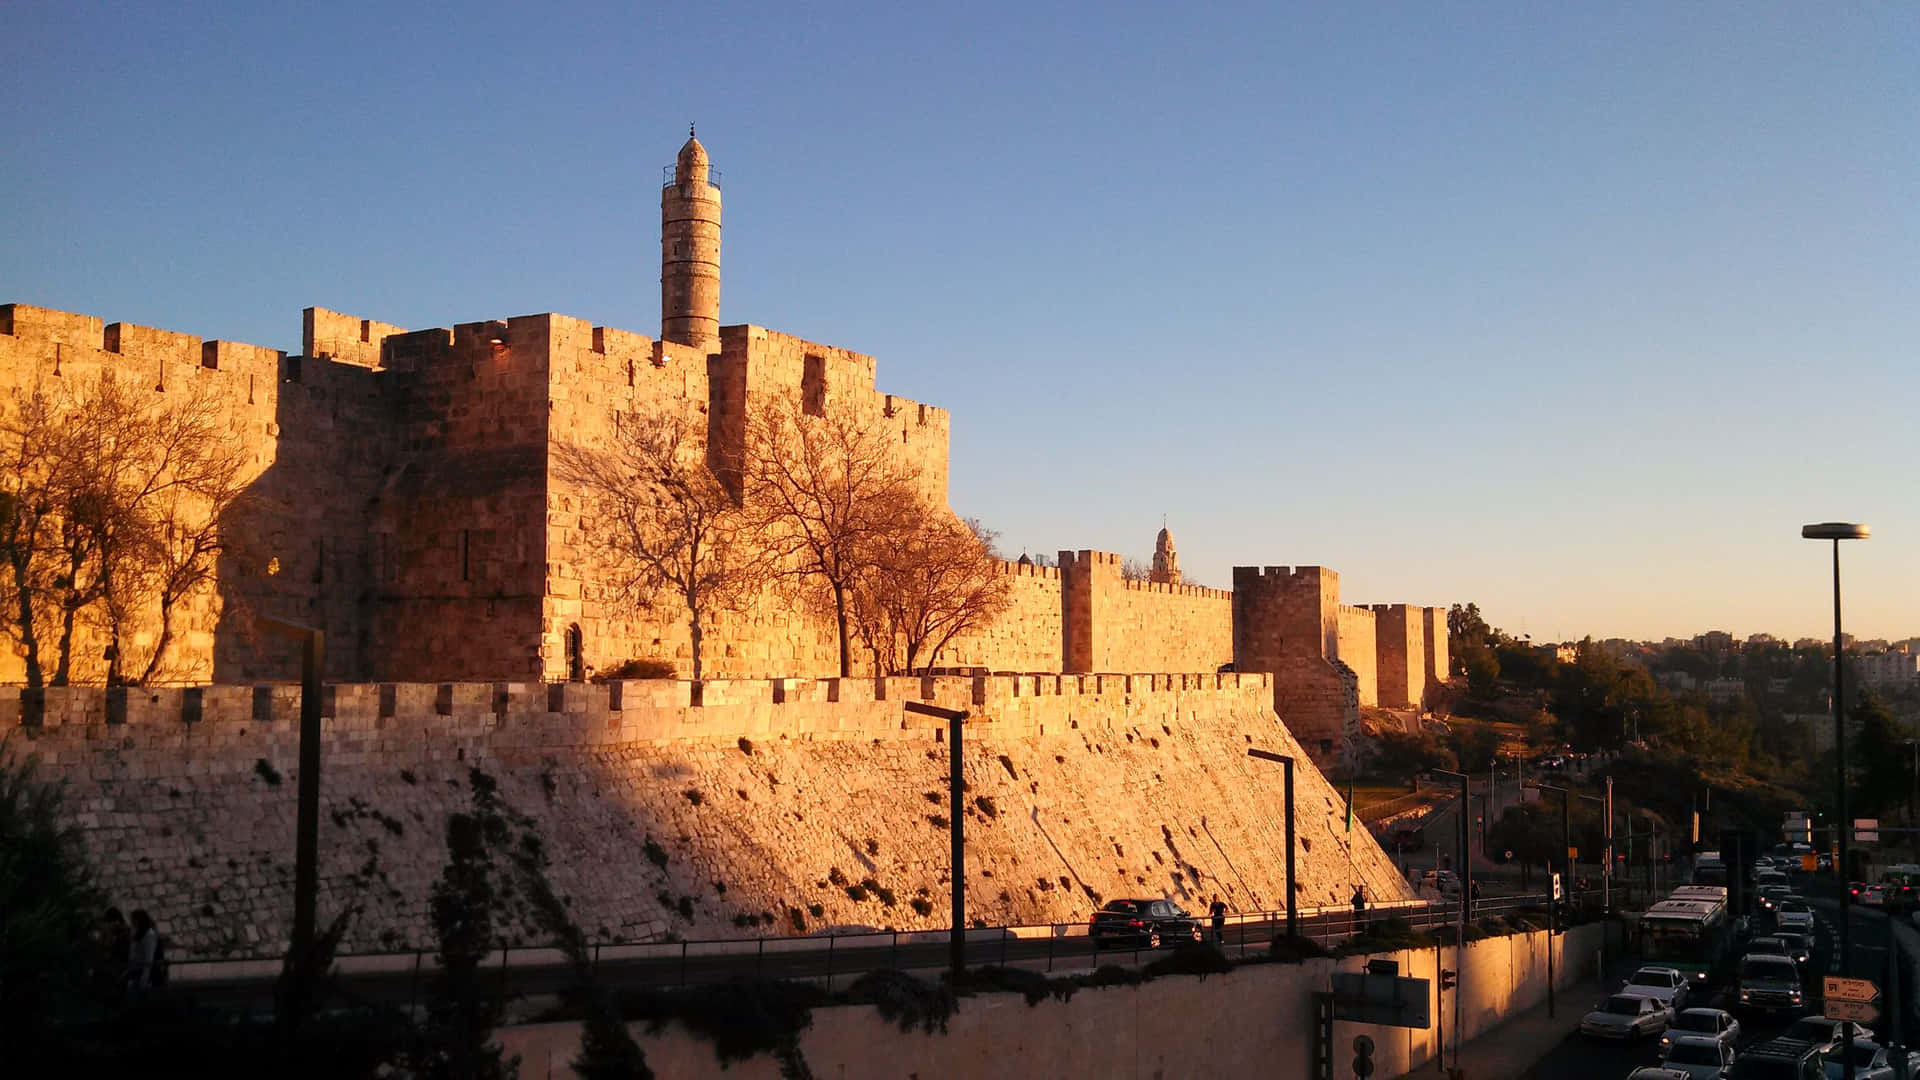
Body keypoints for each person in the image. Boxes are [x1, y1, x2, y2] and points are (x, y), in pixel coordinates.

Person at [127, 909, 159, 993]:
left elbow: (149, 958)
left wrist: (144, 978)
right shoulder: (137, 933)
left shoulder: (149, 935)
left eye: (133, 920)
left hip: (141, 971)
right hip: (134, 970)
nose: (132, 923)